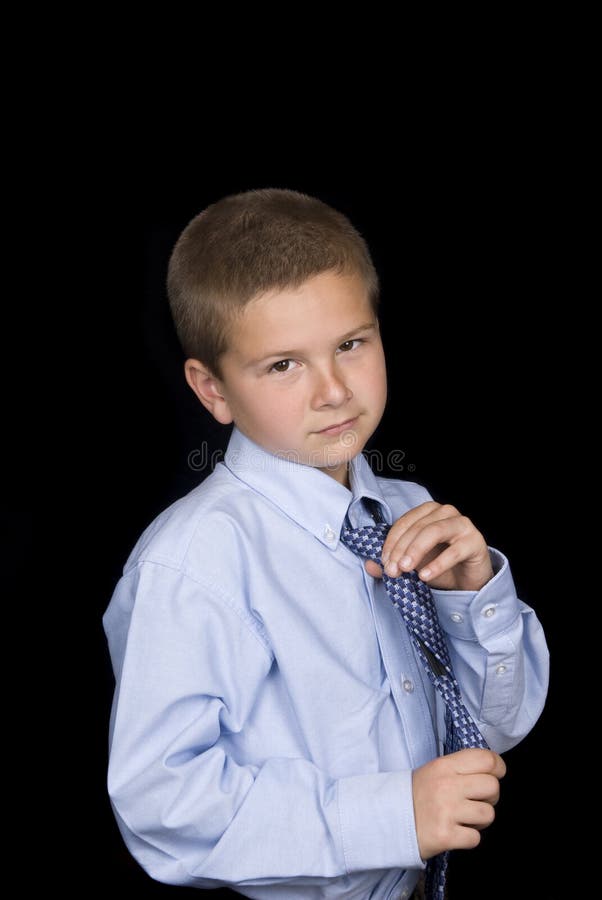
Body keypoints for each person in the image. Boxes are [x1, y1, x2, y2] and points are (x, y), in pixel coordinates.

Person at [103, 189, 549, 899]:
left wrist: (474, 603)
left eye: (350, 344)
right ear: (212, 390)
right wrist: (388, 817)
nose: (334, 391)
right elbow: (163, 804)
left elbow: (489, 735)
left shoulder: (411, 510)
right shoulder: (195, 561)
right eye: (284, 365)